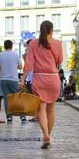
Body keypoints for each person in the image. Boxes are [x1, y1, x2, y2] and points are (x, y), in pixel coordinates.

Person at [21, 20, 63, 149]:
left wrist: (23, 78)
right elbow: (59, 61)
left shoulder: (33, 44)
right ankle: (48, 136)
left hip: (39, 78)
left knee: (41, 109)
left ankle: (45, 135)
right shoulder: (58, 44)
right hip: (53, 78)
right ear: (52, 30)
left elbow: (28, 64)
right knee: (51, 109)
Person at [0, 40, 27, 124]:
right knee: (18, 98)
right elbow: (20, 66)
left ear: (4, 46)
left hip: (3, 79)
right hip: (13, 79)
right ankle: (23, 117)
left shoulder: (0, 55)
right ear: (11, 46)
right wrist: (15, 66)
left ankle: (9, 118)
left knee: (7, 99)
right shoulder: (15, 54)